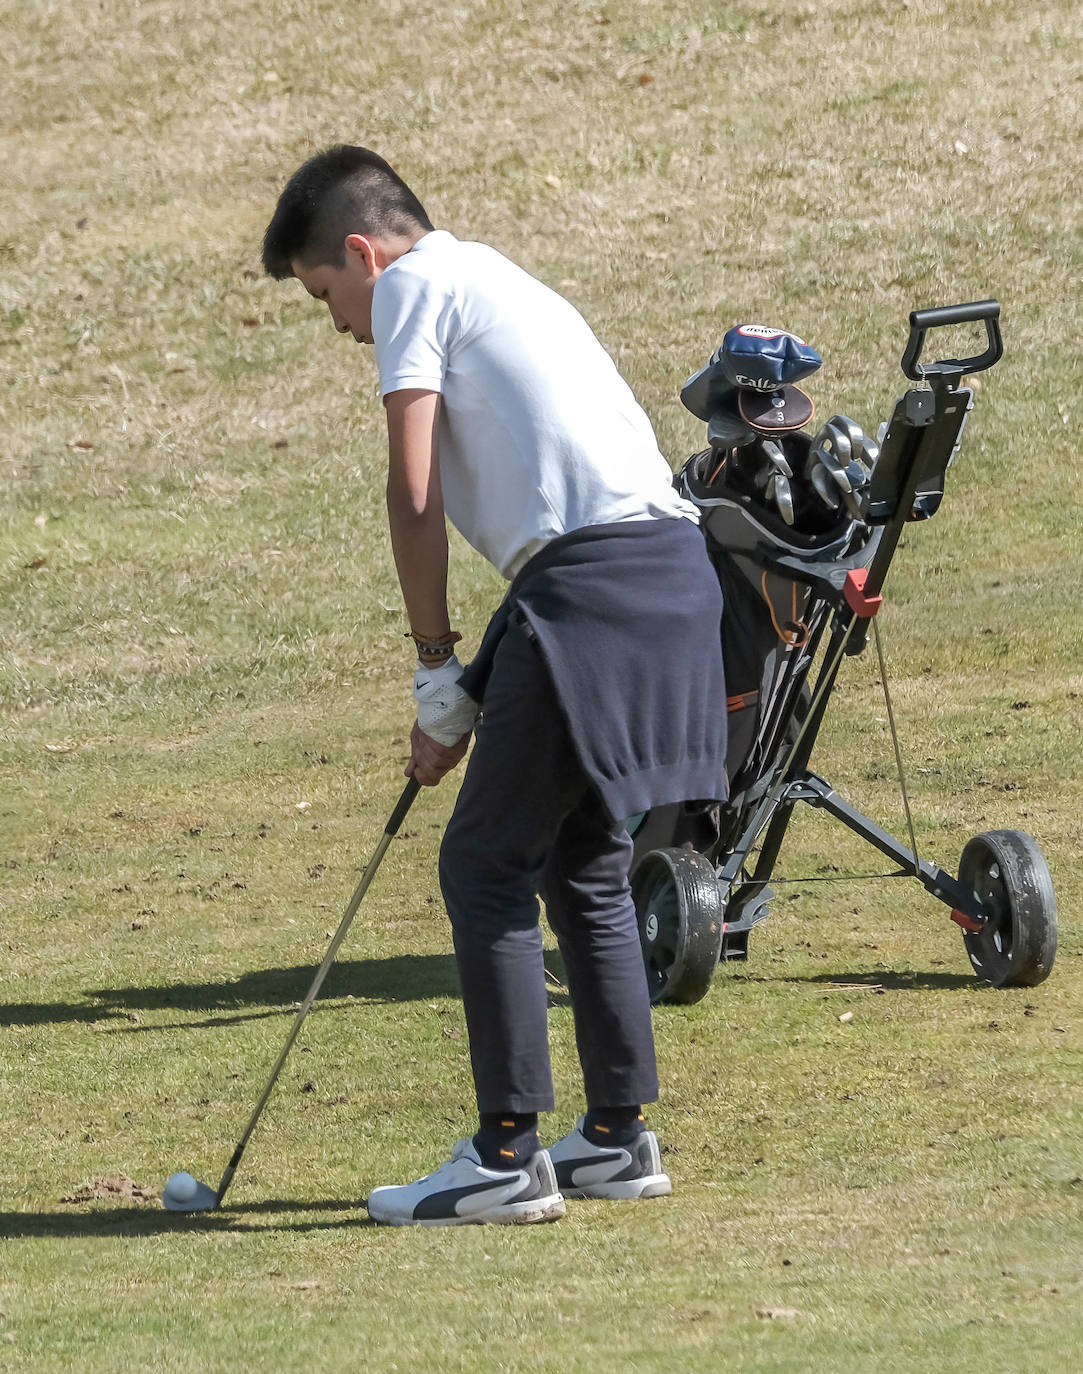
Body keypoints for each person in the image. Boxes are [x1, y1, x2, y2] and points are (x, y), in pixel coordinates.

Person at [262, 145, 727, 1227]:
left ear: (363, 254)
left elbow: (413, 492)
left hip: (596, 586)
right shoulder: (500, 276)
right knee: (581, 855)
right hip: (661, 576)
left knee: (482, 863)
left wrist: (430, 663)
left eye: (329, 295)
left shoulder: (416, 287)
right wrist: (470, 690)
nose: (340, 325)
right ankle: (616, 1138)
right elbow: (562, 528)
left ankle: (508, 1155)